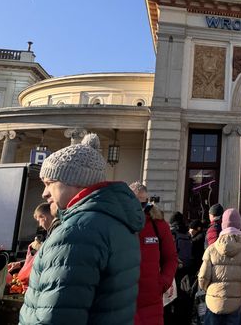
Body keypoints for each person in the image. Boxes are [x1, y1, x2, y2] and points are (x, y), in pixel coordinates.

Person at [19, 133, 144, 325]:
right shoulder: (116, 223)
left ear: (76, 181)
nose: (44, 193)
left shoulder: (76, 232)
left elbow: (56, 316)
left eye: (49, 183)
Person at [129, 181, 179, 325]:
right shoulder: (117, 223)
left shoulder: (158, 225)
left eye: (143, 204)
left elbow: (171, 257)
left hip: (150, 299)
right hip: (122, 297)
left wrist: (163, 282)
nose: (139, 209)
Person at [199, 208, 241, 325]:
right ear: (239, 224)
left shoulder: (211, 249)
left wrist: (208, 289)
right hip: (236, 300)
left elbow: (203, 276)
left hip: (214, 299)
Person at [166, 212, 194, 325]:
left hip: (173, 270)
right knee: (182, 301)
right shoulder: (187, 234)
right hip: (186, 271)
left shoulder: (171, 233)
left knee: (170, 299)